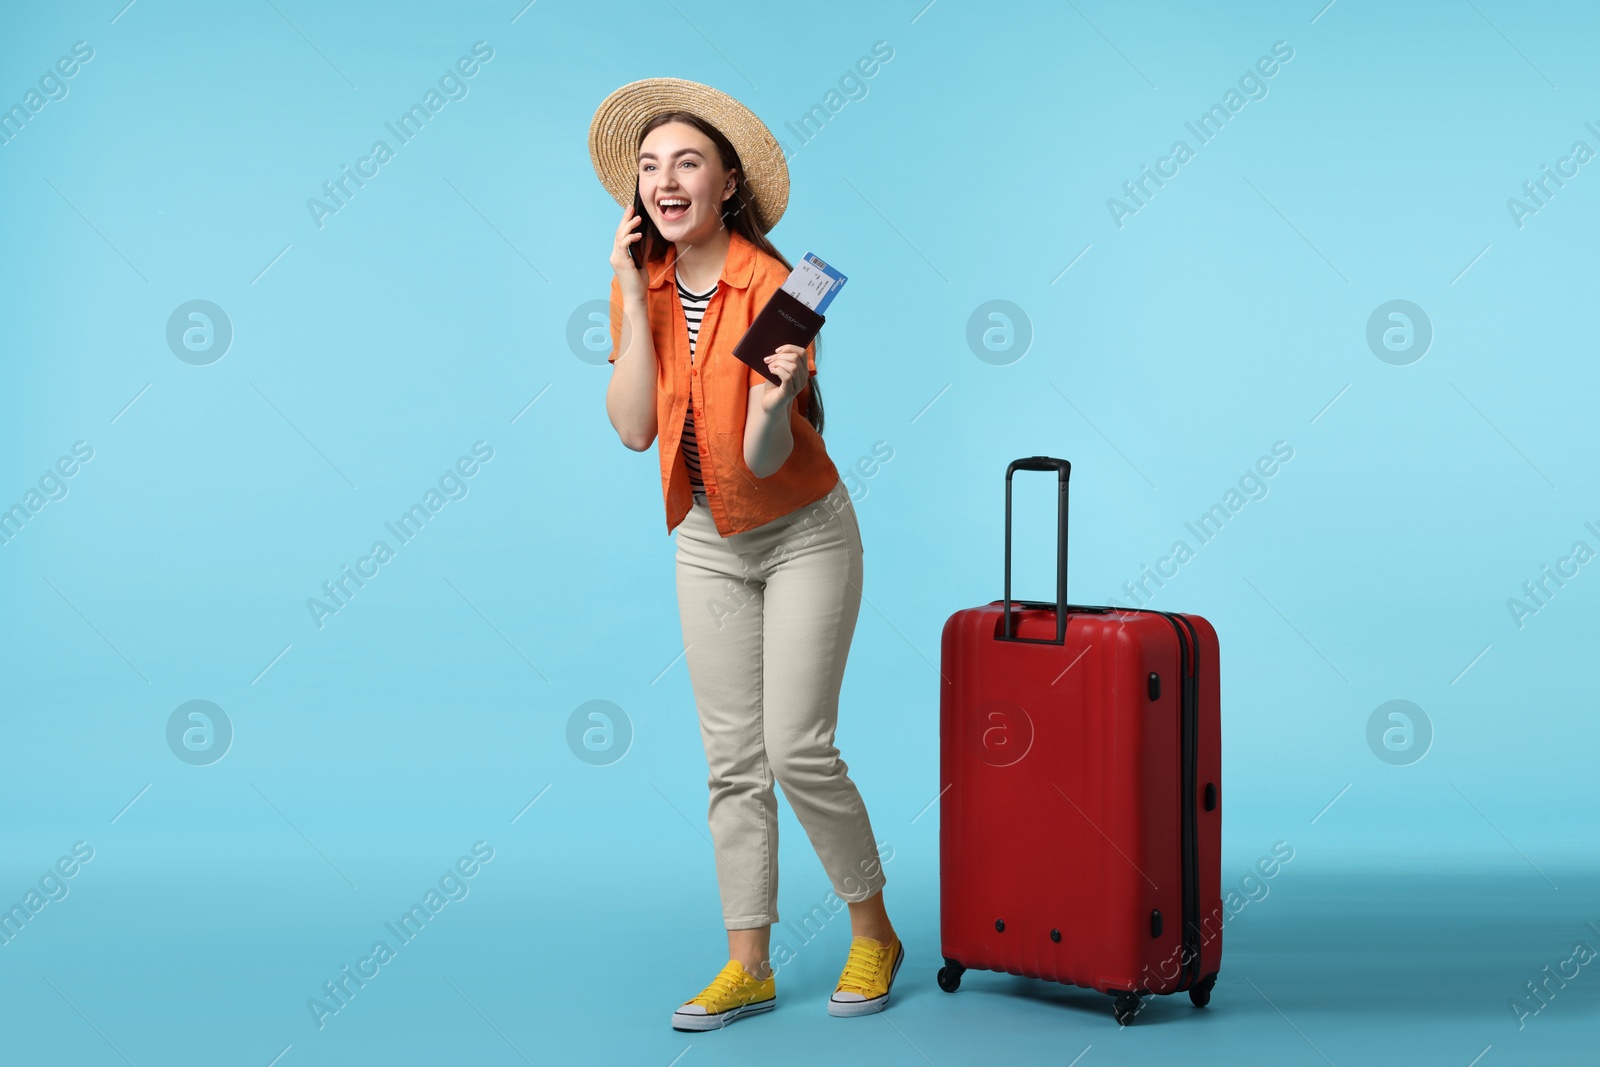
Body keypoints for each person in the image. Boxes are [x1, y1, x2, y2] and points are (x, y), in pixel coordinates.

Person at [589, 77, 901, 1030]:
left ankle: (874, 929)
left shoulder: (784, 286)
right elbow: (635, 430)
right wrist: (631, 300)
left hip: (803, 532)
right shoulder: (637, 280)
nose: (664, 180)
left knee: (796, 744)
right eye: (649, 167)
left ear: (728, 183)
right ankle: (749, 963)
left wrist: (773, 400)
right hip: (704, 541)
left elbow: (768, 457)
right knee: (731, 760)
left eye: (687, 162)